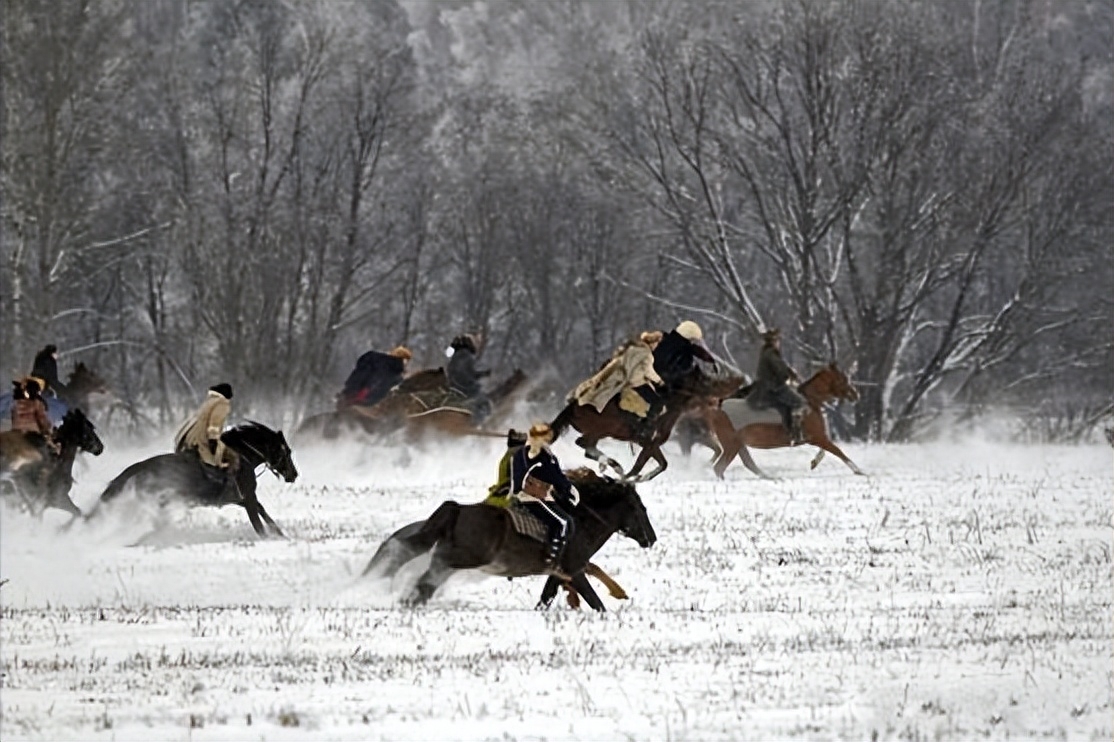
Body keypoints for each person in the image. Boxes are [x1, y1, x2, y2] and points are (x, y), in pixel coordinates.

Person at [509, 422, 580, 565]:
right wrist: (567, 488)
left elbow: (557, 475)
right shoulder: (534, 454)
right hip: (531, 497)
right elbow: (553, 476)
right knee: (563, 522)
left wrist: (567, 488)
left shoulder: (546, 454)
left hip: (544, 495)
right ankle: (552, 556)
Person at [571, 331, 664, 417]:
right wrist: (659, 380)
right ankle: (645, 426)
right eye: (657, 343)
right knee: (657, 402)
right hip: (636, 383)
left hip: (623, 379)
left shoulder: (633, 348)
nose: (657, 346)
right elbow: (648, 371)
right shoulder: (647, 355)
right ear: (653, 342)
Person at [751, 328, 806, 444]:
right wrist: (789, 376)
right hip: (774, 388)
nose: (778, 343)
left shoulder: (766, 352)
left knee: (785, 407)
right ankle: (796, 434)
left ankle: (789, 431)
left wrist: (790, 372)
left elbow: (782, 366)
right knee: (799, 402)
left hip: (765, 388)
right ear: (773, 341)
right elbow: (780, 370)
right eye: (777, 340)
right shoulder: (771, 353)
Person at [174, 383, 234, 469]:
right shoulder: (222, 403)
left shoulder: (209, 401)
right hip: (201, 439)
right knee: (217, 463)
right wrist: (213, 441)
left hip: (190, 438)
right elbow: (215, 422)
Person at [338, 346, 412, 409]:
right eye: (406, 361)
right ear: (403, 359)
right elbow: (378, 381)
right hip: (366, 399)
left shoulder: (376, 359)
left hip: (352, 390)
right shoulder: (392, 370)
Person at [446, 333, 492, 422]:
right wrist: (483, 375)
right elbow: (469, 374)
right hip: (465, 388)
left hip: (453, 385)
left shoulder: (455, 357)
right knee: (482, 401)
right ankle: (479, 422)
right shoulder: (468, 357)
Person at [10, 378, 56, 464]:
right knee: (47, 455)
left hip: (15, 433)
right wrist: (48, 430)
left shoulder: (15, 404)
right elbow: (43, 421)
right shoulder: (37, 403)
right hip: (31, 435)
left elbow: (14, 419)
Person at [483, 428, 527, 507]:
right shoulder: (515, 456)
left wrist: (500, 489)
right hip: (504, 500)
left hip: (502, 500)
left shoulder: (514, 456)